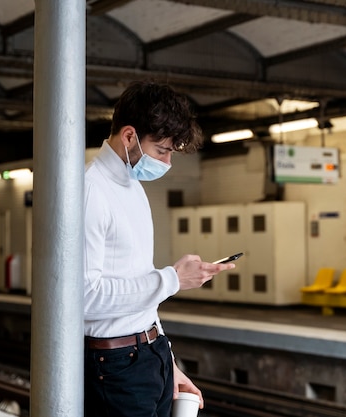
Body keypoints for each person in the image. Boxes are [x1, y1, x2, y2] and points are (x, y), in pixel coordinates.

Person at [83, 81, 235, 417]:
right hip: (115, 367)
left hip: (149, 355)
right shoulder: (91, 191)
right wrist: (173, 279)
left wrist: (168, 361)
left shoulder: (132, 186)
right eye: (162, 151)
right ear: (129, 137)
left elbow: (137, 287)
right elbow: (84, 297)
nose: (167, 162)